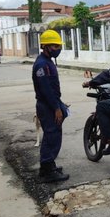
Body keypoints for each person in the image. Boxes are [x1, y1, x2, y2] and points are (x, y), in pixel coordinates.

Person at [32, 30, 69, 183]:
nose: (57, 49)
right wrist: (56, 108)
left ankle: (49, 165)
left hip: (52, 102)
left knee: (54, 134)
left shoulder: (48, 61)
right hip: (47, 105)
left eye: (58, 46)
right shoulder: (42, 64)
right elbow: (46, 90)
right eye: (54, 46)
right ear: (45, 46)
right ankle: (47, 171)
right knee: (51, 136)